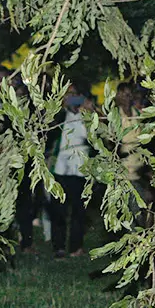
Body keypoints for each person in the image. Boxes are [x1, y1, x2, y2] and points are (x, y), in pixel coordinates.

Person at [49, 98, 89, 259]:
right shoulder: (58, 116)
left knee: (78, 211)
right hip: (60, 169)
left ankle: (75, 247)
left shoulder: (86, 116)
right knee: (58, 211)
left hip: (80, 170)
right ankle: (59, 247)